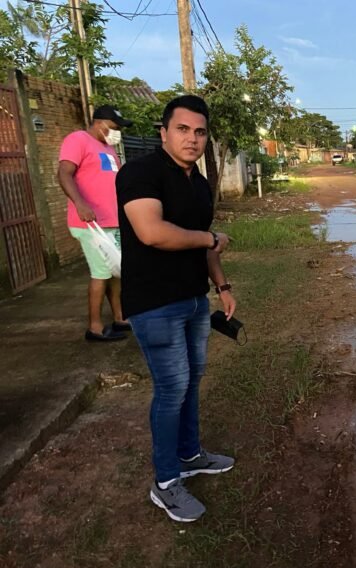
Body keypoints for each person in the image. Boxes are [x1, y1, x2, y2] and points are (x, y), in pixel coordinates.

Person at [116, 95, 236, 523]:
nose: (192, 138)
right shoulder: (140, 173)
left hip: (192, 299)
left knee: (191, 381)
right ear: (163, 131)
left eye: (199, 131)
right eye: (183, 129)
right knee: (172, 388)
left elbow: (205, 238)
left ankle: (189, 454)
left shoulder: (198, 183)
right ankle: (165, 482)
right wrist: (209, 241)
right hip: (154, 303)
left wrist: (221, 284)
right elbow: (152, 232)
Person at [58, 104, 134, 341]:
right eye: (113, 127)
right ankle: (95, 327)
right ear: (99, 123)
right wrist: (80, 204)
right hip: (90, 224)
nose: (116, 132)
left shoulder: (108, 149)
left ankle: (120, 318)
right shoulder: (77, 140)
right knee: (101, 273)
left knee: (116, 273)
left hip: (111, 222)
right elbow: (63, 173)